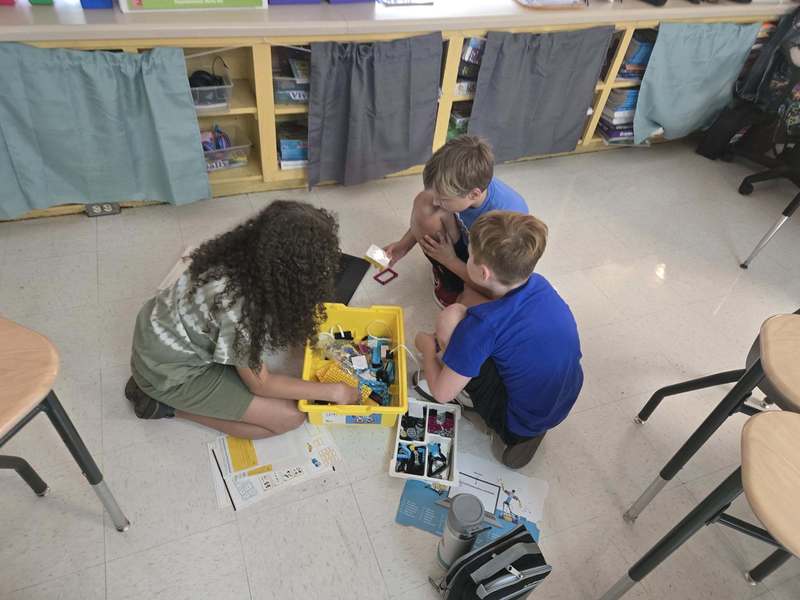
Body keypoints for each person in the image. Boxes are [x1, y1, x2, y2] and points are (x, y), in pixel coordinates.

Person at [124, 201, 360, 439]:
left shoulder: (237, 253)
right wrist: (335, 391)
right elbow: (261, 384)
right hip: (166, 376)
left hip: (155, 333)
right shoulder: (239, 311)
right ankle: (165, 407)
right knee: (290, 417)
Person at [414, 211, 583, 469]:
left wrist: (427, 348)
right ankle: (530, 420)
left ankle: (490, 416)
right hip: (563, 398)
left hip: (516, 422)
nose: (467, 257)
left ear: (483, 272)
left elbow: (441, 393)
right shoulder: (540, 284)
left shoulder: (482, 328)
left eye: (468, 255)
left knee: (450, 318)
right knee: (469, 308)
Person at [383, 135, 528, 308]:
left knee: (469, 308)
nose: (437, 202)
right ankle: (449, 275)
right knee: (425, 201)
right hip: (471, 249)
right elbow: (433, 201)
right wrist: (403, 246)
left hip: (488, 271)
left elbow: (495, 287)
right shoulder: (463, 184)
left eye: (443, 199)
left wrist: (450, 260)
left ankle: (454, 282)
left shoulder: (505, 221)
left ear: (474, 194)